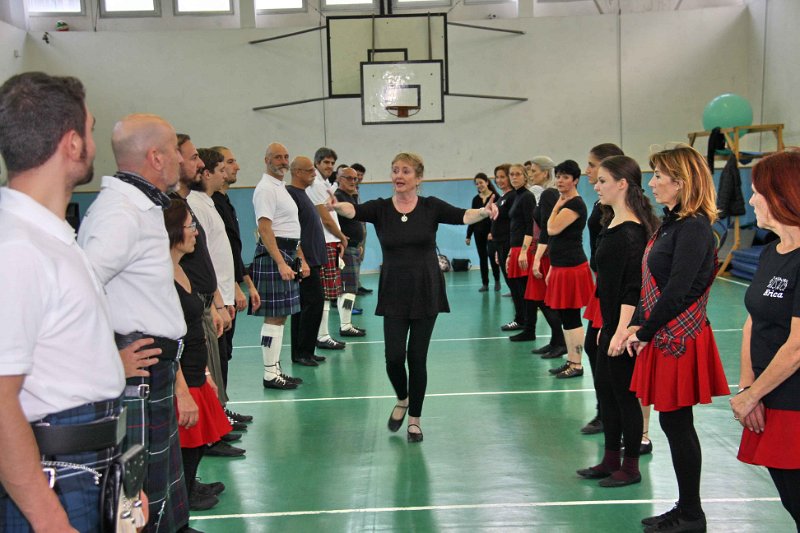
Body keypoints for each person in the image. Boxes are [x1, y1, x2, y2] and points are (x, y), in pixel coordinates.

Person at [0, 71, 127, 533]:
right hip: (54, 480)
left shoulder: (49, 238)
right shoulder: (19, 248)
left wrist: (120, 484)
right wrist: (49, 517)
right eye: (91, 129)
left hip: (89, 464)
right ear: (73, 144)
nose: (93, 142)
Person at [78, 114, 204, 530]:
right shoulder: (121, 213)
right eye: (174, 152)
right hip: (138, 371)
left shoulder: (142, 206)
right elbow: (76, 292)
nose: (181, 161)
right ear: (155, 157)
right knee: (140, 500)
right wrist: (110, 360)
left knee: (160, 492)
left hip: (157, 368)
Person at [329, 152, 497, 442]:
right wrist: (337, 206)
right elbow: (353, 210)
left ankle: (415, 420)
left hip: (425, 288)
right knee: (393, 358)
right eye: (395, 170)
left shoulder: (431, 206)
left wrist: (484, 212)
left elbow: (462, 215)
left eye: (406, 171)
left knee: (417, 358)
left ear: (418, 178)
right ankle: (402, 398)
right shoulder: (381, 208)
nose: (399, 175)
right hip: (394, 290)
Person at [625, 143, 729, 533]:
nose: (651, 183)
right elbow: (654, 284)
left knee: (677, 424)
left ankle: (691, 514)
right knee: (673, 422)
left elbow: (678, 291)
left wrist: (644, 331)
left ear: (681, 182)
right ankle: (687, 509)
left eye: (658, 176)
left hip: (678, 338)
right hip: (665, 333)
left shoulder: (694, 227)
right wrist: (640, 324)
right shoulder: (673, 223)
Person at [576, 155, 659, 488]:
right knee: (606, 392)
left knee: (624, 396)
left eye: (603, 181)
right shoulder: (610, 223)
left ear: (622, 184)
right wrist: (604, 327)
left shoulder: (632, 232)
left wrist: (621, 331)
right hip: (609, 322)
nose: (596, 187)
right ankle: (610, 459)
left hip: (623, 326)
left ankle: (631, 466)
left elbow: (632, 288)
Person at [731, 151, 800, 529]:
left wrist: (753, 395)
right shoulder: (772, 252)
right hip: (768, 395)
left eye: (758, 192)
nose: (752, 199)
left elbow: (797, 346)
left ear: (783, 195)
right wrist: (748, 387)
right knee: (791, 498)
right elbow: (752, 321)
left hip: (794, 400)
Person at [166, 198, 233, 512]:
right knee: (187, 441)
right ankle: (183, 492)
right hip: (182, 372)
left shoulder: (181, 268)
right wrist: (181, 388)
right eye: (190, 226)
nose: (195, 232)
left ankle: (189, 483)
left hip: (196, 367)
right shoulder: (161, 277)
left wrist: (205, 373)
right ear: (172, 232)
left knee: (200, 437)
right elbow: (169, 339)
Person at [209, 145, 258, 424]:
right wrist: (235, 287)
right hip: (220, 293)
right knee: (217, 356)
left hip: (229, 288)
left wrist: (245, 281)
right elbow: (215, 253)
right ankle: (218, 413)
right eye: (229, 162)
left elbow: (233, 251)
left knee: (224, 354)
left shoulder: (224, 202)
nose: (236, 166)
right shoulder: (211, 204)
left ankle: (222, 409)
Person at [250, 142, 304, 390]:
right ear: (266, 160)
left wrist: (297, 256)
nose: (283, 161)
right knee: (273, 316)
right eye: (277, 157)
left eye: (285, 157)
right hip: (275, 255)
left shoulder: (279, 186)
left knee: (280, 316)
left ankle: (275, 369)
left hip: (286, 252)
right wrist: (281, 262)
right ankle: (269, 373)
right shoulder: (265, 189)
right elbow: (264, 228)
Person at [580, 143, 625, 435]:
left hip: (615, 290)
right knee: (593, 347)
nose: (588, 170)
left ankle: (613, 415)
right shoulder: (600, 203)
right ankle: (605, 411)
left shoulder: (618, 207)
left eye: (592, 165)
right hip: (602, 284)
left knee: (604, 352)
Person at [544, 160, 595, 379]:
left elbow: (551, 229)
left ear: (575, 180)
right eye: (558, 176)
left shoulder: (575, 204)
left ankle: (577, 365)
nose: (560, 181)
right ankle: (571, 360)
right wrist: (551, 268)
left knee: (572, 318)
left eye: (565, 177)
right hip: (560, 266)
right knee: (566, 317)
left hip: (572, 267)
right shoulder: (566, 201)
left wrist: (556, 206)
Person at [308, 147, 351, 349]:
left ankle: (324, 334)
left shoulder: (324, 184)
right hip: (324, 243)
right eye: (326, 162)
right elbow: (325, 218)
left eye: (332, 163)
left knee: (328, 293)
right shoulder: (316, 184)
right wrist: (341, 237)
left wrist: (338, 239)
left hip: (330, 242)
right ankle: (322, 336)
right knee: (324, 293)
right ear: (316, 163)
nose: (330, 166)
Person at [286, 156, 328, 367]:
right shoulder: (291, 194)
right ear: (297, 172)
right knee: (313, 304)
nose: (314, 173)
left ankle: (305, 351)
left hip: (313, 260)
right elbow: (292, 230)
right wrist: (301, 259)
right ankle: (302, 352)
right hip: (306, 261)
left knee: (305, 306)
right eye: (310, 170)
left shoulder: (303, 194)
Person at [523, 156, 566, 357]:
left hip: (545, 252)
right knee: (542, 299)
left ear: (546, 172)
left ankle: (560, 341)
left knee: (545, 299)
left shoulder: (549, 193)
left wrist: (539, 255)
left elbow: (548, 227)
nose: (530, 175)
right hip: (542, 250)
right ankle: (555, 340)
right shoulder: (549, 193)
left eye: (533, 171)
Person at [504, 164, 537, 342]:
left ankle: (529, 329)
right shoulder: (516, 196)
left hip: (524, 249)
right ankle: (522, 321)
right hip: (516, 248)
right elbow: (514, 227)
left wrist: (524, 252)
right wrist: (511, 252)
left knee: (527, 292)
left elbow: (529, 226)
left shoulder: (527, 196)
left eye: (518, 174)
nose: (514, 177)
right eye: (512, 174)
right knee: (518, 290)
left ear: (525, 176)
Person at [334, 166, 368, 336]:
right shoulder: (338, 197)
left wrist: (359, 243)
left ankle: (346, 324)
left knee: (350, 288)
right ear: (339, 179)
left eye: (355, 178)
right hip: (345, 249)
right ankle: (345, 326)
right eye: (348, 178)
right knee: (347, 289)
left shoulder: (350, 196)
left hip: (353, 246)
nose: (353, 181)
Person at [466, 172, 501, 292]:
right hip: (478, 233)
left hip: (491, 234)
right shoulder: (475, 199)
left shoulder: (496, 197)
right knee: (482, 258)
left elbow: (498, 217)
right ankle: (485, 283)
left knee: (492, 256)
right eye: (476, 184)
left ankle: (497, 280)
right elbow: (473, 217)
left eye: (481, 182)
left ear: (487, 182)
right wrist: (468, 235)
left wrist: (493, 232)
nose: (479, 185)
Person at [491, 164, 515, 303]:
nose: (499, 180)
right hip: (499, 244)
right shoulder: (501, 198)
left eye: (503, 177)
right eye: (497, 177)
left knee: (514, 282)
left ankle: (522, 313)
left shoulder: (513, 196)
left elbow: (513, 223)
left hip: (508, 243)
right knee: (508, 279)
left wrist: (511, 248)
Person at [351, 162, 373, 296]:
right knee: (354, 258)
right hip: (354, 229)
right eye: (357, 174)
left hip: (361, 228)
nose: (359, 177)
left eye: (361, 175)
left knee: (360, 257)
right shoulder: (348, 191)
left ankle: (357, 284)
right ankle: (353, 286)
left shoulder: (357, 190)